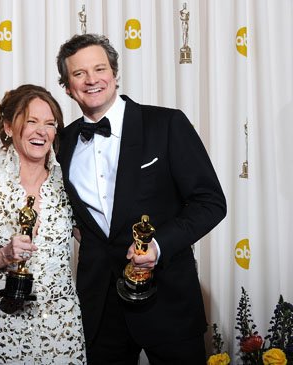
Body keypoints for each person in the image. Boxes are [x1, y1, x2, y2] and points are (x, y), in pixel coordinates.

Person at [55, 33, 226, 364]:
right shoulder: (64, 141)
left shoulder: (166, 123)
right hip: (100, 307)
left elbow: (210, 202)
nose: (91, 80)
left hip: (167, 299)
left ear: (115, 75)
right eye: (79, 74)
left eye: (99, 69)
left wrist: (158, 246)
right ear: (67, 86)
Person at [0, 84, 86, 364]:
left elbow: (96, 243)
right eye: (31, 121)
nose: (41, 131)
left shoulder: (71, 184)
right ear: (8, 127)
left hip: (62, 327)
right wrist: (3, 255)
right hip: (0, 324)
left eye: (49, 123)